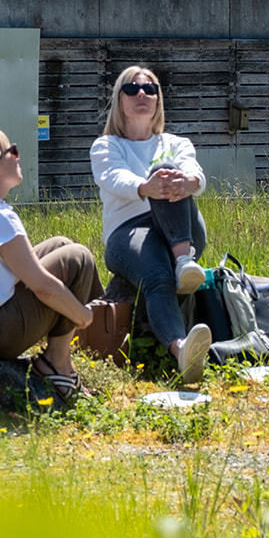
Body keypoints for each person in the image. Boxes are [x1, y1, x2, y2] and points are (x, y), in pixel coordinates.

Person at [0, 131, 101, 401]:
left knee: (60, 244)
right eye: (12, 150)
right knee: (77, 257)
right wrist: (82, 316)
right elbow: (42, 286)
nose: (18, 155)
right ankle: (57, 364)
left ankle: (56, 359)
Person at [91, 66, 213, 385]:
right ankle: (182, 348)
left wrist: (189, 181)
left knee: (169, 168)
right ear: (119, 101)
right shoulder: (106, 146)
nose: (141, 94)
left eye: (150, 89)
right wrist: (146, 187)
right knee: (157, 274)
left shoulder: (177, 142)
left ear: (159, 100)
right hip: (128, 232)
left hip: (183, 228)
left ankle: (184, 260)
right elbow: (112, 177)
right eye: (131, 89)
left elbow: (195, 172)